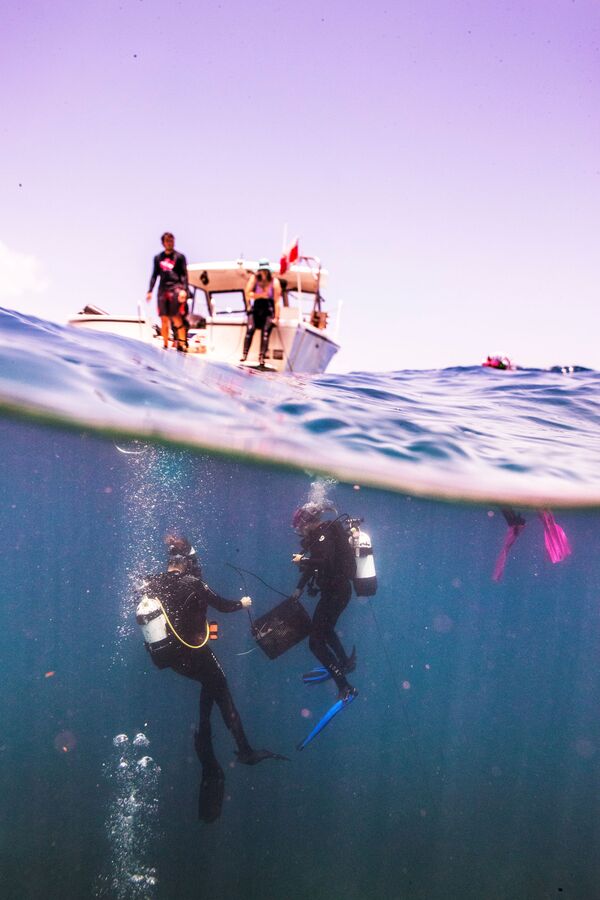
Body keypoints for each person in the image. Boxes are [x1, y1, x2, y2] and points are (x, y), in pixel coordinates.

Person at [138, 535, 286, 823]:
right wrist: (243, 603)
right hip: (195, 653)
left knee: (211, 685)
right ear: (187, 564)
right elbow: (222, 605)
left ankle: (205, 745)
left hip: (172, 659)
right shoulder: (194, 584)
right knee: (223, 691)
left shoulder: (153, 582)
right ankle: (243, 750)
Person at [289, 503, 357, 702]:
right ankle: (345, 663)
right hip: (337, 592)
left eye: (300, 525)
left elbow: (325, 562)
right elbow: (319, 563)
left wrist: (303, 561)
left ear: (308, 522)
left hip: (336, 593)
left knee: (316, 643)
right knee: (325, 632)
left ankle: (345, 687)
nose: (299, 530)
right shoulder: (322, 533)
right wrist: (299, 588)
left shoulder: (322, 535)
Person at [146, 232, 189, 351]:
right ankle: (165, 345)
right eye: (168, 241)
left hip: (176, 288)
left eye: (172, 240)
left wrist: (184, 290)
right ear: (163, 243)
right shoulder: (158, 258)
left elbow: (184, 275)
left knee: (176, 317)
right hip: (162, 290)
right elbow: (154, 275)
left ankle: (182, 343)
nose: (170, 243)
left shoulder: (180, 257)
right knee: (164, 318)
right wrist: (150, 291)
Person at [241, 259, 281, 366]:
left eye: (265, 270)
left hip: (268, 309)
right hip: (256, 308)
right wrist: (260, 296)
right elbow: (248, 293)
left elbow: (277, 301)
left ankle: (262, 357)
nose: (263, 272)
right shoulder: (254, 278)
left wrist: (277, 317)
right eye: (262, 270)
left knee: (266, 332)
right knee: (250, 329)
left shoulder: (274, 282)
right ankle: (244, 355)